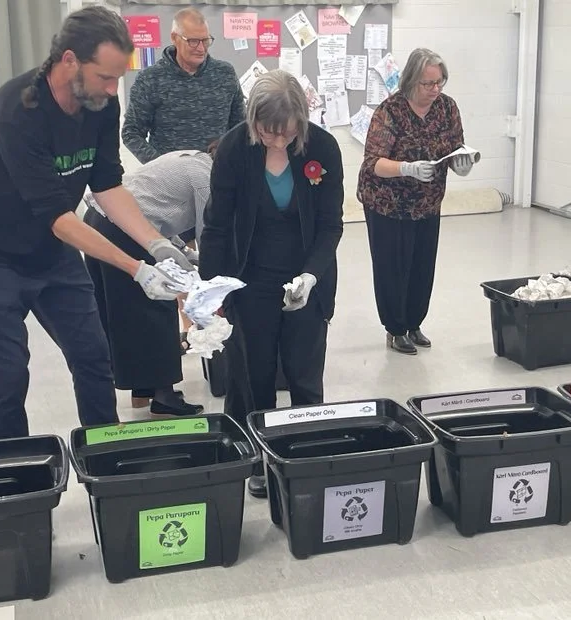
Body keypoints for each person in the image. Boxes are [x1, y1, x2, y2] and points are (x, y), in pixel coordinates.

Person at [0, 6, 193, 440]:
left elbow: (107, 185)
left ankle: (104, 455)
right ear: (69, 60)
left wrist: (158, 245)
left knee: (93, 356)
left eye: (117, 78)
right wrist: (136, 268)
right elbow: (59, 218)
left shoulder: (101, 104)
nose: (112, 89)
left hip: (50, 250)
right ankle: (14, 467)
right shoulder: (17, 109)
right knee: (8, 371)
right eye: (105, 77)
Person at [199, 70, 344, 498]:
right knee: (254, 375)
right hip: (250, 278)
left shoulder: (323, 147)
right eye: (268, 132)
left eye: (288, 133)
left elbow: (330, 225)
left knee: (304, 372)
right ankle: (260, 460)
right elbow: (217, 226)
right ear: (252, 120)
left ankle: (305, 456)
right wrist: (212, 289)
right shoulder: (233, 149)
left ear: (302, 120)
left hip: (305, 275)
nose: (278, 141)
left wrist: (311, 276)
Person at [82, 146, 216, 415]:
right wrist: (214, 278)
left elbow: (157, 209)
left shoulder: (187, 158)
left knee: (125, 313)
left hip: (98, 221)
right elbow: (209, 231)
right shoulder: (206, 177)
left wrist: (185, 252)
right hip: (124, 230)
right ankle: (164, 397)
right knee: (156, 308)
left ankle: (143, 389)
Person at [357, 48, 474, 356]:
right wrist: (406, 168)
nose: (435, 89)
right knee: (393, 268)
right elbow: (372, 163)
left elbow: (456, 146)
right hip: (388, 204)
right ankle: (395, 329)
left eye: (440, 81)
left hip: (427, 203)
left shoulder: (447, 108)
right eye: (428, 83)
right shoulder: (390, 111)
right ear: (411, 81)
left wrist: (461, 163)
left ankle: (414, 323)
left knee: (422, 266)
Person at [122, 7, 244, 164]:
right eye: (193, 41)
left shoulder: (225, 74)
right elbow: (131, 133)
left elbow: (240, 127)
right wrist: (161, 165)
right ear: (175, 38)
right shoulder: (151, 79)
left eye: (205, 41)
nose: (201, 48)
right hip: (168, 175)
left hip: (217, 173)